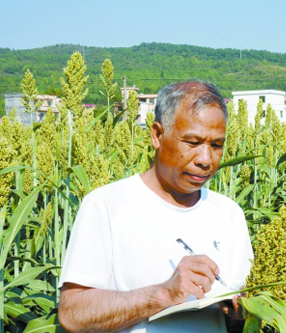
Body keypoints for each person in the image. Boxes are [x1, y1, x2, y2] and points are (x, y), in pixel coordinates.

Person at [58, 80, 254, 332]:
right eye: (192, 143)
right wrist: (163, 294)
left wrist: (243, 311)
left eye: (216, 145)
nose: (206, 160)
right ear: (157, 135)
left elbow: (241, 319)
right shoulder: (106, 205)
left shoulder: (230, 214)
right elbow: (73, 313)